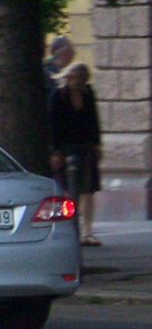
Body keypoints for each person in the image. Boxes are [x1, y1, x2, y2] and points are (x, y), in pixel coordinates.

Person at [48, 62, 103, 246]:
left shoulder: (87, 93)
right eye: (76, 77)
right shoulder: (59, 95)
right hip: (66, 149)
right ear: (69, 76)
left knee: (88, 190)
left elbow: (94, 120)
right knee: (70, 192)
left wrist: (97, 144)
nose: (79, 81)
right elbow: (53, 124)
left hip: (86, 146)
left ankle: (87, 232)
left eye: (82, 78)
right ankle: (73, 230)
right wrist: (55, 151)